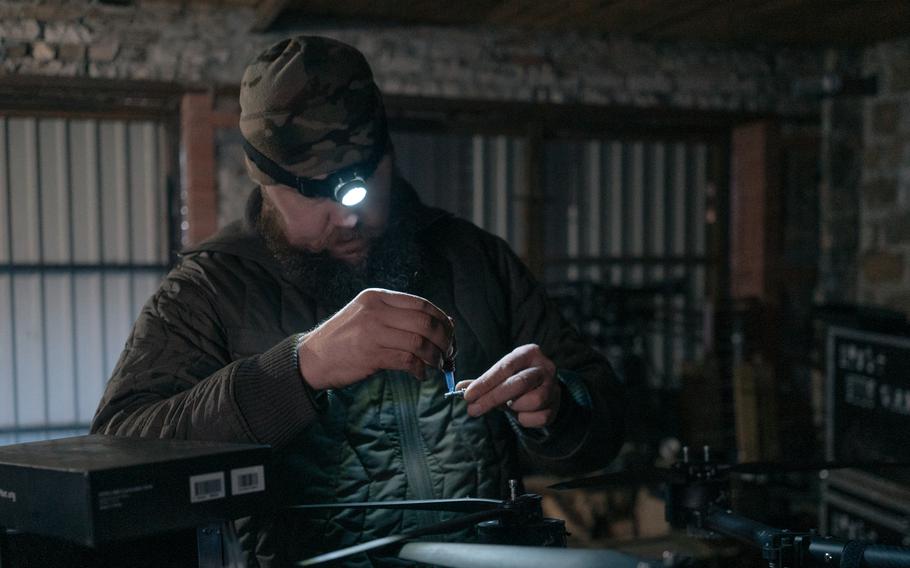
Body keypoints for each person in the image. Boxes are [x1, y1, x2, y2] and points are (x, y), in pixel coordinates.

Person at [91, 35, 624, 567]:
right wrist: (297, 369)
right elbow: (118, 455)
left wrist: (558, 410)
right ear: (265, 179)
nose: (348, 215)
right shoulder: (208, 290)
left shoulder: (476, 259)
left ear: (387, 152)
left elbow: (605, 423)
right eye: (314, 192)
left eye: (363, 179)